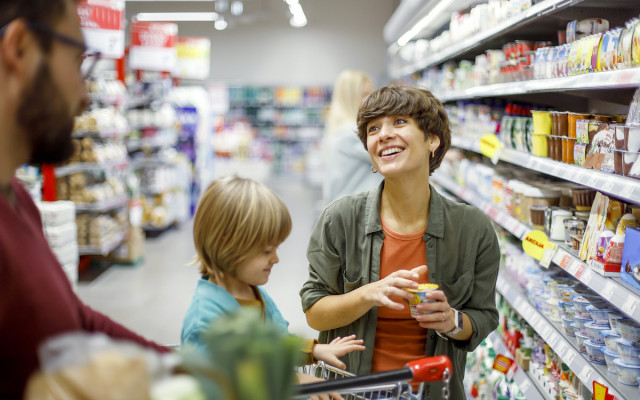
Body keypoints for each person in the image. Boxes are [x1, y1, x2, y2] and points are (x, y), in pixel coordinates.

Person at [0, 1, 169, 398]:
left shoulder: (18, 199)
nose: (82, 96)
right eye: (79, 62)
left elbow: (74, 323)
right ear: (20, 48)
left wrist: (209, 374)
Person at [300, 85, 500, 399]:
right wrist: (369, 294)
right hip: (351, 391)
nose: (383, 134)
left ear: (432, 139)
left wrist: (451, 321)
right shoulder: (340, 219)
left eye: (399, 122)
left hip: (431, 391)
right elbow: (314, 311)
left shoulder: (473, 228)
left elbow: (484, 316)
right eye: (373, 128)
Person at [181, 176, 365, 398]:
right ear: (227, 247)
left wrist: (313, 350)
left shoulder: (252, 292)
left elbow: (271, 342)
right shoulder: (205, 321)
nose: (276, 259)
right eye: (267, 251)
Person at [322, 70, 382, 205]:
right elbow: (385, 156)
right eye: (365, 94)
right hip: (356, 211)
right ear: (350, 97)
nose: (372, 100)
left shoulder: (338, 127)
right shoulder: (353, 133)